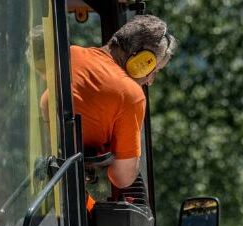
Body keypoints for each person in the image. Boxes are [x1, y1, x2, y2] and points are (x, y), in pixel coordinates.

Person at [69, 14, 176, 192]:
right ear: (141, 61)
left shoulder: (70, 54)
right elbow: (122, 178)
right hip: (63, 191)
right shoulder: (130, 94)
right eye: (153, 70)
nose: (150, 81)